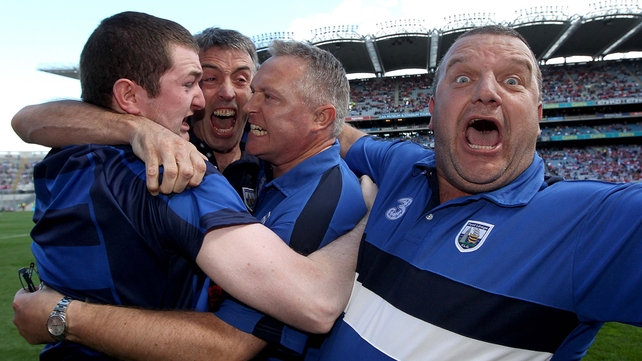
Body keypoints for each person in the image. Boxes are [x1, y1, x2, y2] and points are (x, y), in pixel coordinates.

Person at [14, 11, 369, 361]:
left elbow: (30, 121)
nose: (219, 96)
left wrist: (63, 315)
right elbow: (306, 306)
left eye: (250, 84)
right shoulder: (180, 172)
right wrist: (138, 128)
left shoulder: (60, 158)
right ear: (129, 95)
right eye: (199, 81)